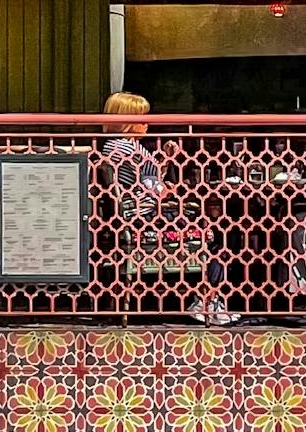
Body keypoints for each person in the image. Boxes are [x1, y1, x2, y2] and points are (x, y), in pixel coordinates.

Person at [97, 90, 234, 326]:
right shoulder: (132, 150)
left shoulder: (112, 147)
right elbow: (157, 192)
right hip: (149, 219)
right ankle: (207, 301)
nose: (148, 122)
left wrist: (165, 161)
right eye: (142, 117)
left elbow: (143, 182)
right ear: (128, 121)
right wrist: (173, 188)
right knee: (217, 235)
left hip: (132, 218)